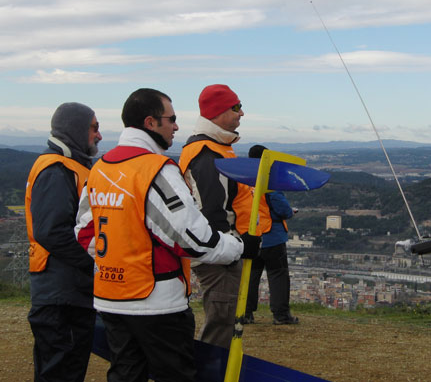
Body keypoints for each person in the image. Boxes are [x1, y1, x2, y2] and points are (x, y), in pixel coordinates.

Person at [75, 88, 253, 382]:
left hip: (110, 297)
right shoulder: (156, 169)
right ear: (150, 122)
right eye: (171, 119)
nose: (177, 126)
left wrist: (119, 261)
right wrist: (239, 246)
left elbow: (83, 231)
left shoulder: (101, 168)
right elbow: (193, 238)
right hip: (156, 301)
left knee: (125, 372)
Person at [179, 84, 262, 349]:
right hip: (220, 255)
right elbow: (211, 213)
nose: (242, 113)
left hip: (226, 250)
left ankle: (218, 364)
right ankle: (213, 366)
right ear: (217, 111)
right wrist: (237, 246)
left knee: (226, 320)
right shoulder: (207, 153)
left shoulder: (217, 147)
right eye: (236, 107)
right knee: (222, 322)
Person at [25, 102, 102, 382]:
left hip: (67, 291)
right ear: (76, 129)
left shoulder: (71, 166)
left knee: (66, 369)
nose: (99, 135)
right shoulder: (56, 169)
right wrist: (95, 265)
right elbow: (51, 232)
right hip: (61, 294)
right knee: (61, 371)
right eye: (94, 128)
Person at [243, 144, 299, 326]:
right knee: (278, 276)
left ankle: (245, 313)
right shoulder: (268, 182)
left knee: (250, 277)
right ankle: (281, 315)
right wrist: (290, 212)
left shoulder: (243, 181)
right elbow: (282, 208)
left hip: (251, 236)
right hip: (272, 236)